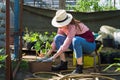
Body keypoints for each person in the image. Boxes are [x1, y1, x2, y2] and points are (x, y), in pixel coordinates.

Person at [39, 9, 96, 74]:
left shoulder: (73, 26)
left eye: (61, 24)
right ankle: (63, 64)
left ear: (66, 22)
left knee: (76, 39)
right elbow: (55, 42)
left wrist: (53, 57)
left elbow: (65, 45)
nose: (59, 26)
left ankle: (79, 67)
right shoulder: (61, 27)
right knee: (57, 38)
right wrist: (46, 56)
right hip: (77, 45)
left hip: (89, 46)